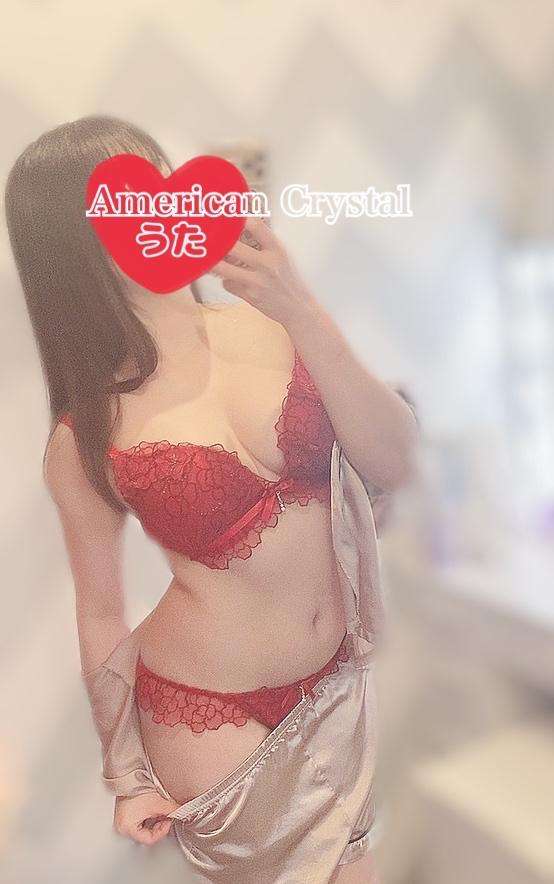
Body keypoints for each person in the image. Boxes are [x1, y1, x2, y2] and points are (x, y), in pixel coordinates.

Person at [5, 115, 418, 883]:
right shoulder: (85, 433)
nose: (157, 211)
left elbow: (394, 458)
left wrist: (301, 308)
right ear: (71, 242)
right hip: (212, 723)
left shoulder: (274, 324)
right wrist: (127, 775)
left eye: (159, 185)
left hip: (338, 687)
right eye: (125, 201)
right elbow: (100, 613)